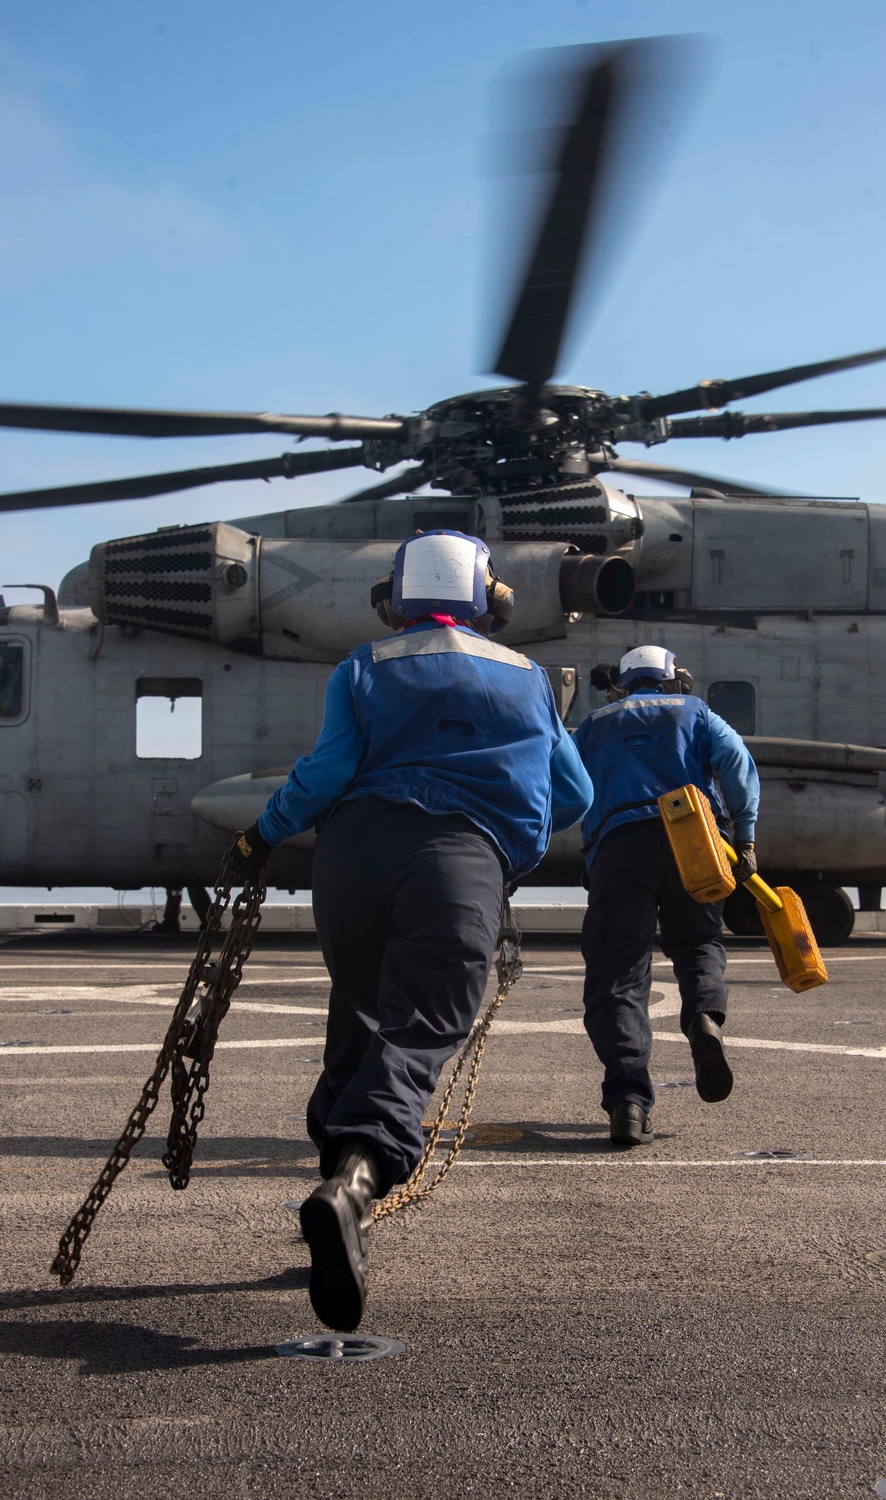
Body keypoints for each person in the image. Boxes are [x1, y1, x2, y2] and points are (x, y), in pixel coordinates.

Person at [230, 530, 593, 1330]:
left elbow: (324, 772)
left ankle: (341, 1205)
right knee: (420, 1028)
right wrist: (509, 833)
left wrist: (263, 832)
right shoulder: (528, 678)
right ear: (489, 600)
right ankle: (353, 1185)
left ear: (393, 600)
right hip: (457, 864)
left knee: (359, 1017)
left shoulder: (364, 666)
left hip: (350, 861)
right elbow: (576, 795)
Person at [574, 644, 759, 1147]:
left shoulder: (593, 725)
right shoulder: (696, 712)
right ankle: (703, 1018)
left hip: (619, 847)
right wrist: (744, 836)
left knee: (618, 975)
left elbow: (566, 786)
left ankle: (629, 1102)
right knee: (698, 943)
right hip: (694, 841)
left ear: (623, 683)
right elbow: (737, 765)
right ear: (673, 677)